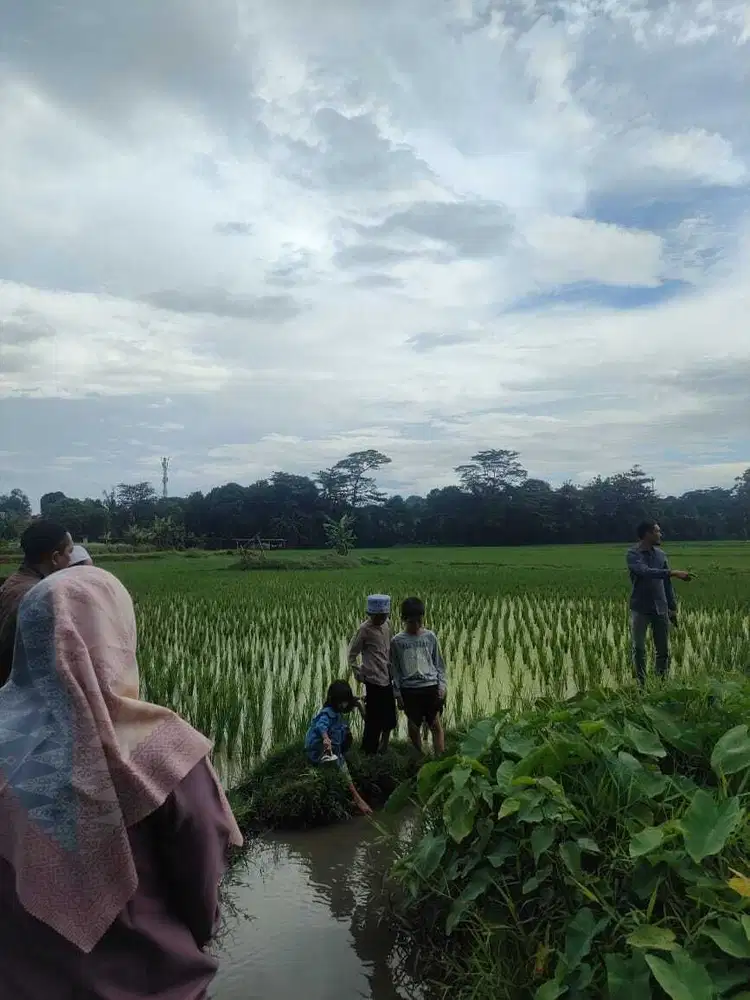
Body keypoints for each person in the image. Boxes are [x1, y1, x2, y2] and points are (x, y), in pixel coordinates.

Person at [0, 566, 242, 1000]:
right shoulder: (162, 750)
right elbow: (201, 873)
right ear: (115, 634)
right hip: (155, 983)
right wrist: (199, 933)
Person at [0, 519, 73, 686]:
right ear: (55, 558)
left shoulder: (14, 582)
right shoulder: (39, 597)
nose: (71, 560)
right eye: (70, 552)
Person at [627, 520, 693, 685]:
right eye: (657, 531)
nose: (660, 534)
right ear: (648, 534)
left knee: (662, 650)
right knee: (639, 648)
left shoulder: (661, 555)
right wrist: (673, 572)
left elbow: (666, 584)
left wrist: (672, 607)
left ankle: (660, 682)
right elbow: (644, 572)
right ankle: (641, 684)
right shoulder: (633, 554)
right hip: (640, 607)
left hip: (660, 606)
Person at [305, 680, 372, 816]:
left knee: (345, 732)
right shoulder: (327, 713)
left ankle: (339, 758)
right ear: (334, 700)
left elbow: (351, 702)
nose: (344, 705)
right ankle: (356, 798)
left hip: (329, 746)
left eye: (346, 701)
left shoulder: (338, 708)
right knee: (342, 765)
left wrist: (359, 700)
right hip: (318, 749)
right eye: (341, 701)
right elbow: (321, 726)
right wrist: (325, 738)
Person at [390, 597, 447, 755]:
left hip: (430, 686)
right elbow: (395, 670)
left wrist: (442, 686)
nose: (416, 625)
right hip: (409, 689)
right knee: (413, 727)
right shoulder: (397, 641)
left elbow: (439, 664)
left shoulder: (430, 637)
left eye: (419, 621)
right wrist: (397, 694)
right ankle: (420, 757)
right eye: (411, 621)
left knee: (435, 724)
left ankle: (439, 758)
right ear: (403, 619)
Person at [348, 594, 397, 755]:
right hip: (373, 679)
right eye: (379, 617)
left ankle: (384, 747)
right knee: (374, 719)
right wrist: (357, 673)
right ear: (371, 614)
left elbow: (390, 648)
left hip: (387, 677)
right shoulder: (364, 630)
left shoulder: (388, 625)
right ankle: (369, 751)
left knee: (390, 716)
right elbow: (352, 654)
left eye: (385, 616)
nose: (382, 619)